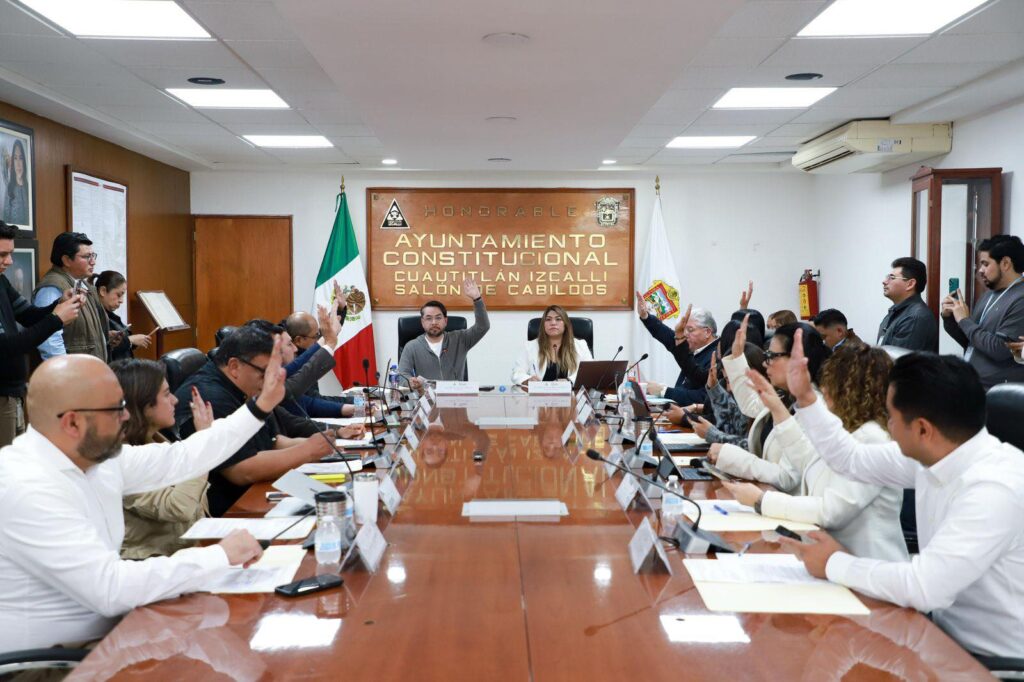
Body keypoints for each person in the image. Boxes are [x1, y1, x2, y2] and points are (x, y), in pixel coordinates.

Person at [0, 344, 288, 652]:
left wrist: (260, 406)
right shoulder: (26, 485)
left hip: (114, 633)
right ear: (73, 423)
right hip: (54, 661)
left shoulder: (96, 458)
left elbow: (185, 457)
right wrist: (220, 555)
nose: (126, 416)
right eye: (116, 409)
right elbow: (110, 588)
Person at [781, 334, 1024, 661]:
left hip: (994, 662)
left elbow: (925, 587)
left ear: (923, 429)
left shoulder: (994, 488)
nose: (888, 428)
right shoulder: (936, 455)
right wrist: (807, 398)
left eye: (891, 417)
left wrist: (833, 563)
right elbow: (851, 459)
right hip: (940, 639)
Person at [722, 344, 907, 562]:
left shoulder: (873, 438)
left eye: (832, 384)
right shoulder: (848, 428)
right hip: (832, 559)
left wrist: (762, 500)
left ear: (851, 391)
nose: (824, 390)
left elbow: (832, 511)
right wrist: (777, 409)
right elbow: (806, 461)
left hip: (868, 567)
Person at [174, 326, 364, 516]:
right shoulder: (209, 397)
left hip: (259, 490)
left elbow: (272, 440)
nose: (270, 381)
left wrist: (320, 444)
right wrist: (307, 451)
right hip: (230, 509)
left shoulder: (239, 384)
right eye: (265, 372)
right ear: (234, 366)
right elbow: (241, 470)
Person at [706, 320, 830, 493]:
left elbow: (787, 478)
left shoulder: (816, 410)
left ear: (797, 359)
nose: (765, 363)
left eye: (772, 356)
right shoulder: (787, 396)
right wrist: (737, 357)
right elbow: (751, 405)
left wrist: (731, 457)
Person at [113, 359, 216, 560]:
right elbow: (179, 508)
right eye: (167, 394)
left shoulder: (159, 441)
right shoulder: (121, 460)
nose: (175, 400)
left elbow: (197, 511)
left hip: (185, 556)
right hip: (147, 568)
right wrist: (203, 444)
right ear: (142, 404)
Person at [0, 221, 84, 447]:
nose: (9, 261)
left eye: (10, 254)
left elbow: (29, 316)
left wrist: (59, 304)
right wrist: (56, 319)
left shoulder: (1, 281)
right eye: (2, 255)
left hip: (15, 392)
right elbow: (8, 347)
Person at [941, 235, 1024, 387]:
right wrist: (951, 318)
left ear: (1005, 263)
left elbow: (999, 350)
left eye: (985, 264)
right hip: (973, 383)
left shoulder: (1021, 299)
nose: (980, 270)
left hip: (996, 391)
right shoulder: (989, 295)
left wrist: (964, 320)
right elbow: (973, 340)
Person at [398, 277, 489, 388]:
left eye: (438, 317)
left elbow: (483, 326)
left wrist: (477, 299)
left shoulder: (460, 339)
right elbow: (401, 376)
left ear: (445, 321)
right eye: (429, 318)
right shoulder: (412, 346)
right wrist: (410, 381)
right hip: (426, 397)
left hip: (456, 396)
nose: (434, 322)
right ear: (422, 322)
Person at [34, 231, 109, 360]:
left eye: (93, 256)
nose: (93, 262)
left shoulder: (82, 283)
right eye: (86, 257)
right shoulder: (52, 287)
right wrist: (64, 368)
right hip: (71, 369)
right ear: (67, 260)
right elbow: (49, 341)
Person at [638, 296, 718, 406]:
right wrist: (645, 316)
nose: (685, 334)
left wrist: (664, 391)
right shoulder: (694, 347)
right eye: (684, 330)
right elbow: (667, 336)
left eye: (690, 330)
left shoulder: (716, 355)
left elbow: (703, 396)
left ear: (707, 332)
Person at [282, 307, 356, 417]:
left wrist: (356, 402)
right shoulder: (295, 368)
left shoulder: (300, 354)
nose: (294, 348)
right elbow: (313, 403)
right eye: (316, 336)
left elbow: (311, 402)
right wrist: (356, 403)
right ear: (299, 340)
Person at [511, 305, 593, 384]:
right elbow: (516, 373)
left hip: (571, 393)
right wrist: (528, 380)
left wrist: (569, 381)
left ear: (565, 324)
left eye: (558, 319)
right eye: (548, 319)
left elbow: (589, 372)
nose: (553, 323)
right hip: (539, 393)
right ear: (543, 325)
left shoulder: (580, 345)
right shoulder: (530, 346)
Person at [876, 257, 938, 352]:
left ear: (910, 284)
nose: (884, 282)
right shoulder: (896, 311)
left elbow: (899, 360)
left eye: (892, 278)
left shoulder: (915, 318)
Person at [93, 270, 154, 362]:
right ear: (103, 291)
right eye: (118, 295)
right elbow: (100, 348)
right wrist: (130, 340)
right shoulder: (94, 315)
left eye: (122, 295)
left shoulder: (109, 314)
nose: (121, 300)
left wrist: (132, 342)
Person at [2, 139, 28, 226]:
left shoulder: (29, 188)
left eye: (21, 158)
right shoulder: (9, 188)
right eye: (15, 158)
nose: (18, 164)